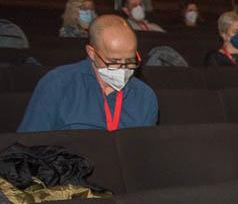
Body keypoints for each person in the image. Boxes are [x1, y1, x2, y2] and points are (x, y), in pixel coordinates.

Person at [18, 14, 157, 132]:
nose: (124, 68)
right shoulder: (57, 84)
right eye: (114, 61)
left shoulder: (145, 96)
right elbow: (29, 145)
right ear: (92, 53)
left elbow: (142, 152)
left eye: (130, 60)